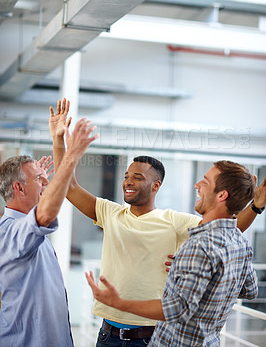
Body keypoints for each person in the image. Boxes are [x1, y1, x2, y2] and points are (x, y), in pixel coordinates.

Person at [49, 99, 266, 347]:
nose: (128, 182)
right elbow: (69, 186)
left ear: (156, 186)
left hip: (150, 336)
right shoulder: (110, 213)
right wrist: (58, 141)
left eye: (137, 177)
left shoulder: (174, 221)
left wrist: (256, 207)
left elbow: (227, 231)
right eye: (126, 176)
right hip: (108, 334)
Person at [86, 160, 258, 347]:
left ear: (222, 195)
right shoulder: (240, 242)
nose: (197, 185)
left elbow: (179, 308)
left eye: (205, 182)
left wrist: (119, 303)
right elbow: (249, 289)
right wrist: (192, 273)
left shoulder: (198, 245)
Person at [0, 118, 98, 347]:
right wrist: (71, 156)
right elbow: (44, 215)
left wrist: (58, 141)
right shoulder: (11, 233)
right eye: (39, 180)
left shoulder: (26, 229)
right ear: (19, 188)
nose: (46, 182)